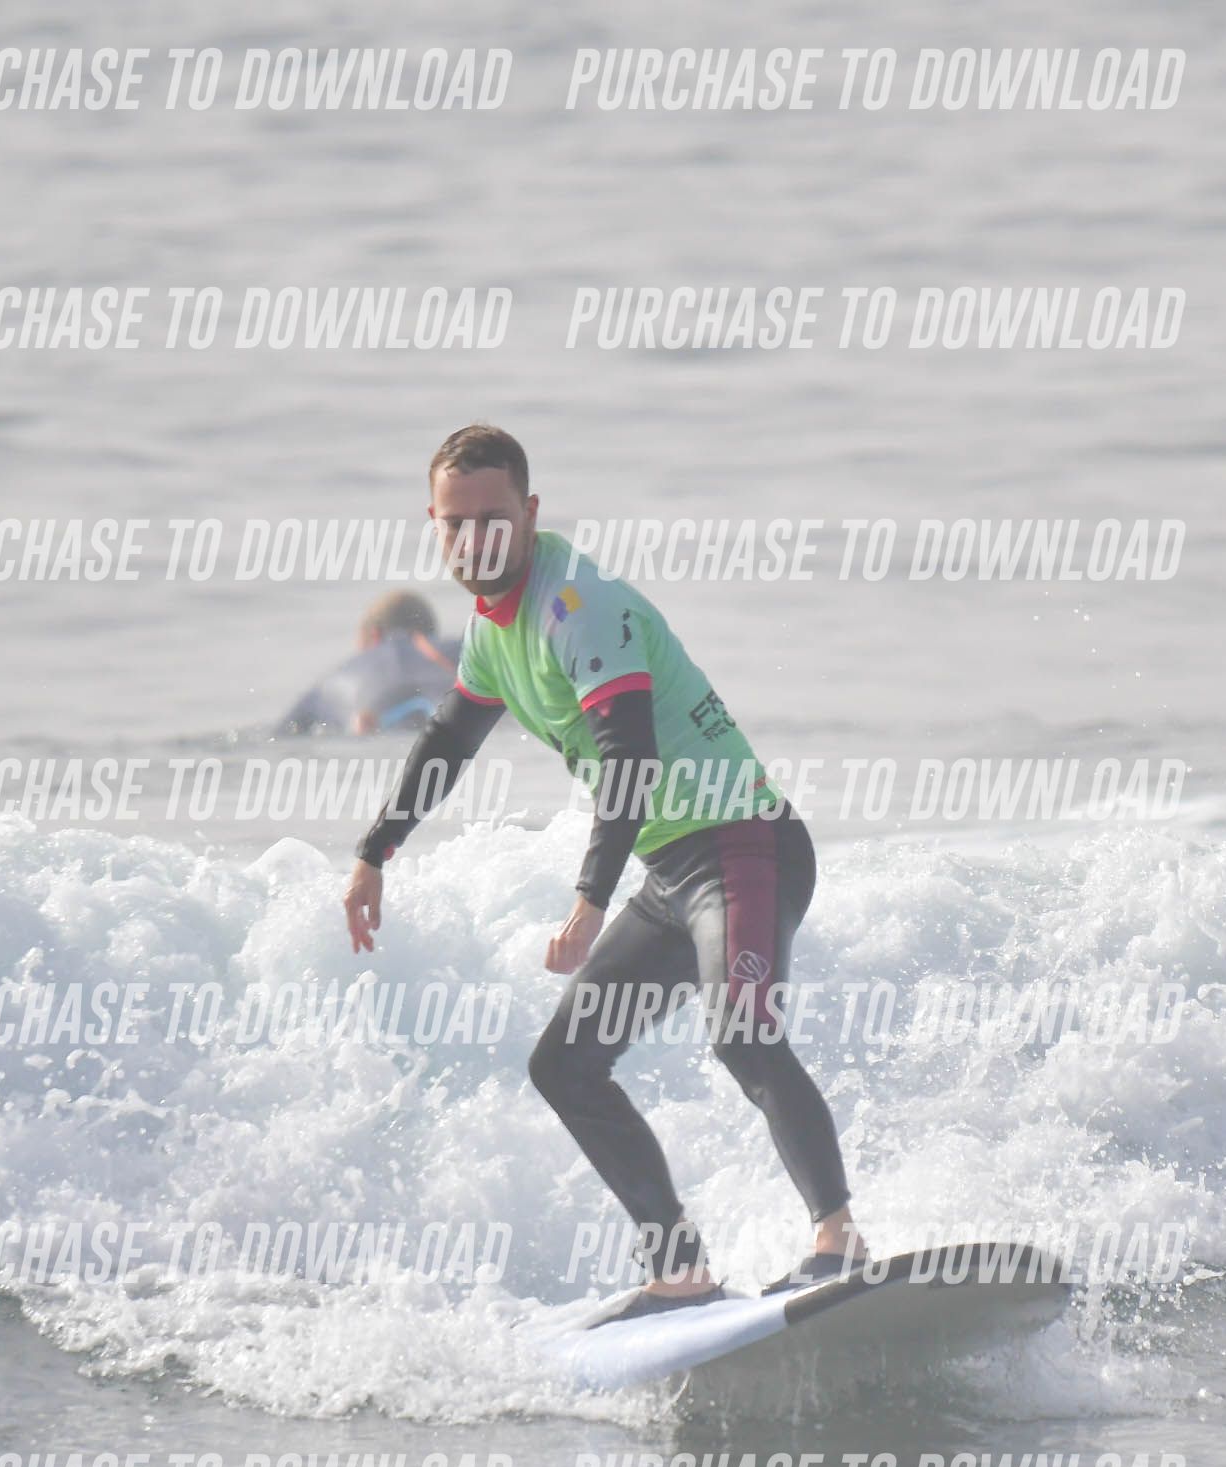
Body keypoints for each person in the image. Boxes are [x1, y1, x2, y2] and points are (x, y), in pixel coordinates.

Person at [343, 424, 867, 1321]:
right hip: (675, 871)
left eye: (494, 520)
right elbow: (448, 743)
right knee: (567, 1065)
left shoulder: (577, 605)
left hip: (745, 843)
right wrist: (372, 852)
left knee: (742, 1032)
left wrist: (588, 902)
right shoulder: (493, 630)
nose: (476, 541)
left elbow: (629, 760)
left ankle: (837, 1238)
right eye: (456, 524)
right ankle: (680, 1270)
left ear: (529, 513)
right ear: (435, 526)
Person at [277, 590, 464, 735]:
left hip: (371, 728)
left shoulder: (333, 681)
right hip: (456, 717)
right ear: (432, 634)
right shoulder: (459, 650)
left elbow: (282, 736)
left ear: (374, 635)